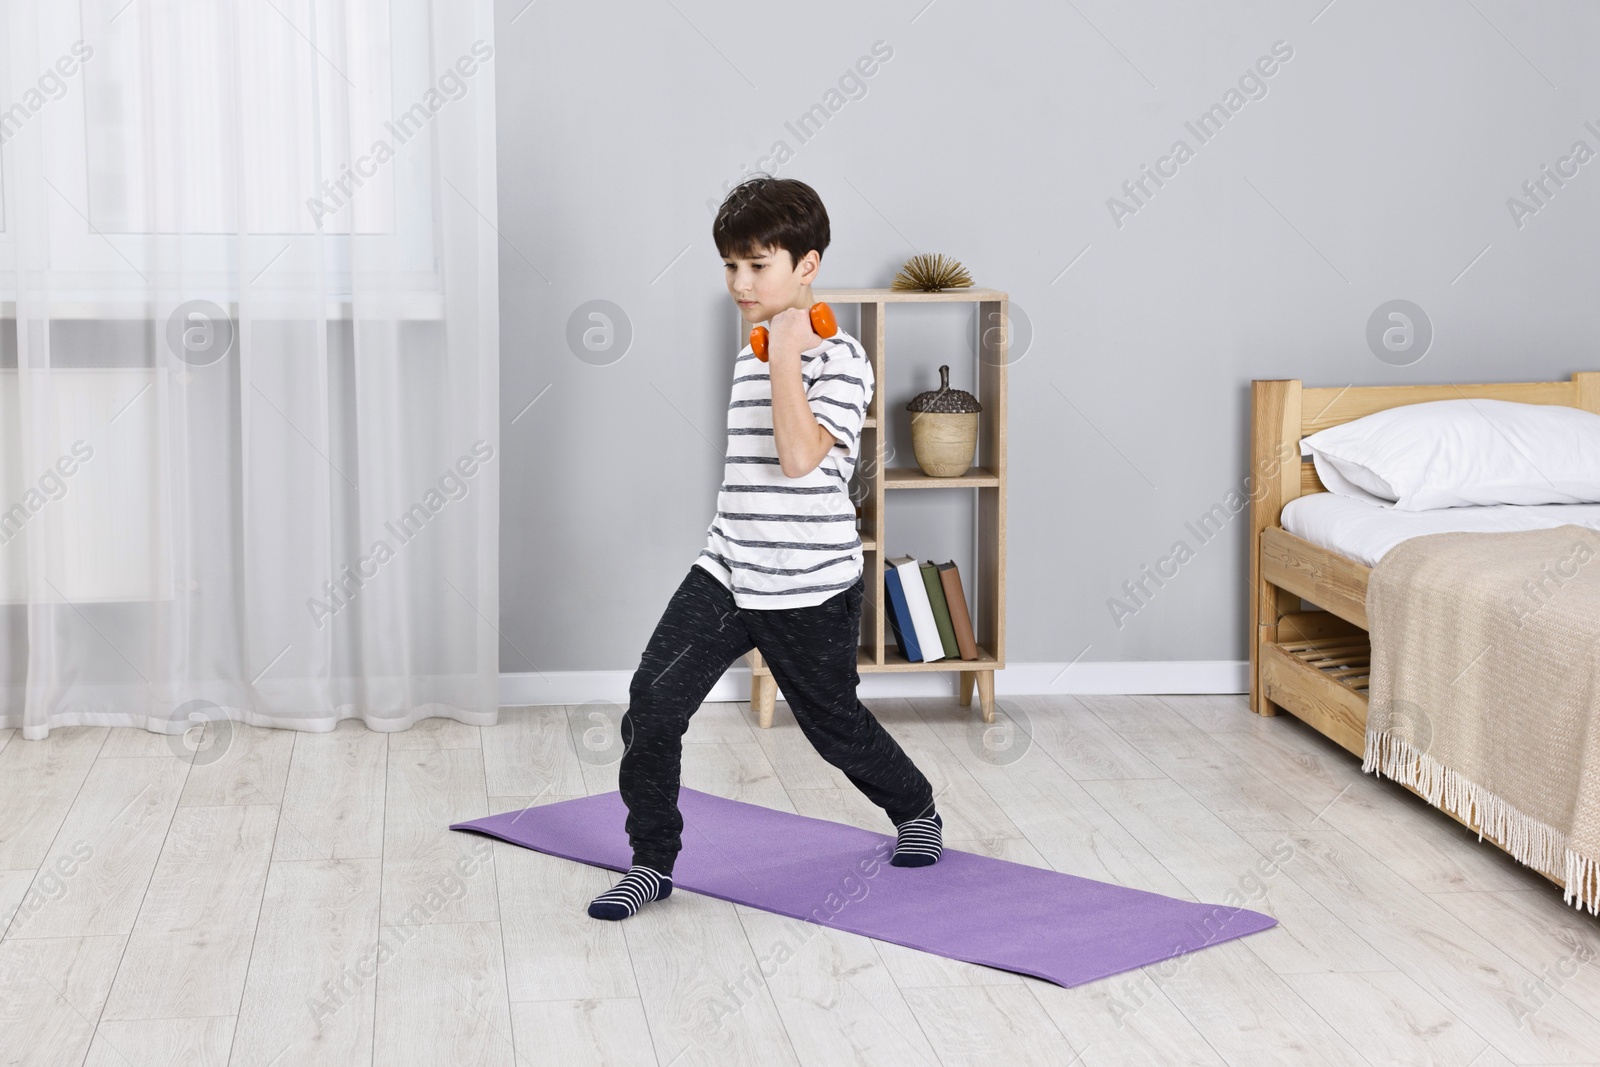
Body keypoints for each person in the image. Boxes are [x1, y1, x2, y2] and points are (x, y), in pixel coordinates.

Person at [587, 176, 942, 921]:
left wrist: (786, 349)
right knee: (651, 707)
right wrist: (773, 345)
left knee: (835, 728)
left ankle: (917, 807)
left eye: (757, 266)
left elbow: (797, 457)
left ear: (806, 266)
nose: (739, 283)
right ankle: (652, 861)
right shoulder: (753, 349)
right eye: (730, 267)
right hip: (728, 568)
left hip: (810, 585)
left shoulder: (842, 362)